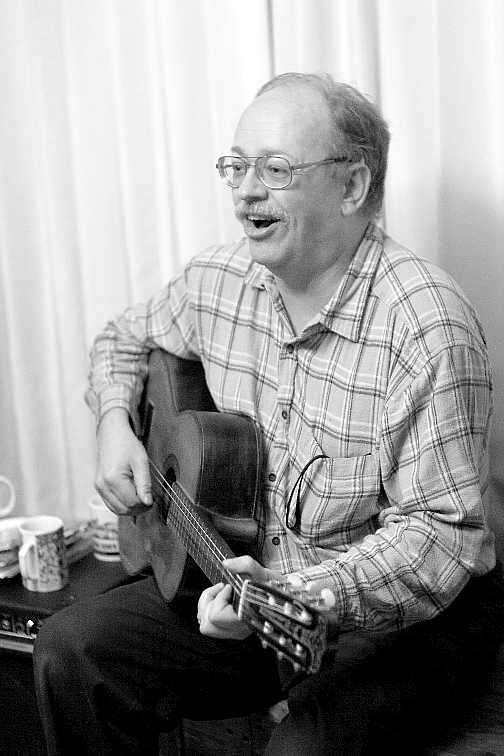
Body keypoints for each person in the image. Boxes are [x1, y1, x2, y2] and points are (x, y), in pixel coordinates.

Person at [33, 72, 503, 756]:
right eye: (237, 166)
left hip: (402, 626)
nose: (246, 191)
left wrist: (298, 593)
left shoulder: (426, 325)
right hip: (250, 592)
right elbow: (122, 340)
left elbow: (440, 537)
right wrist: (113, 423)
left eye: (275, 169)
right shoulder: (218, 281)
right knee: (71, 647)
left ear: (352, 186)